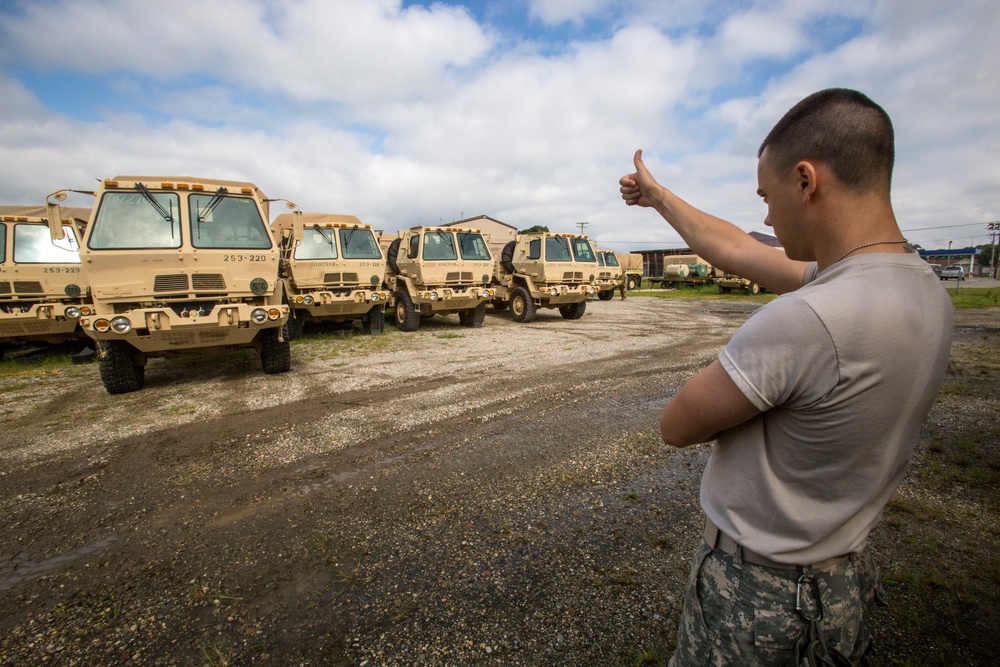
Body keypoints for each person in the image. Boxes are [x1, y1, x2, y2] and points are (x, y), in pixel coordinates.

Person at [619, 88, 953, 665]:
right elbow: (739, 249)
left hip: (762, 597)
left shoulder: (809, 320)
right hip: (838, 579)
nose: (766, 216)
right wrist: (659, 198)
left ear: (806, 180)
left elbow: (677, 423)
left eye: (766, 196)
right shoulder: (920, 288)